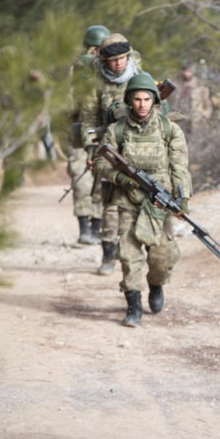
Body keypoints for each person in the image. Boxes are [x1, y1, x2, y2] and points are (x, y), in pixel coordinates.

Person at [93, 73, 192, 327]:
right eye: (137, 99)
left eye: (147, 99)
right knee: (129, 255)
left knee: (162, 257)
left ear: (155, 100)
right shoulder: (117, 130)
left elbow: (180, 168)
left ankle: (156, 284)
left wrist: (183, 200)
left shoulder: (169, 129)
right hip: (128, 202)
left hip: (160, 204)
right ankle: (133, 306)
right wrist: (122, 179)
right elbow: (101, 164)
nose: (142, 104)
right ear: (130, 101)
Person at [79, 32, 143, 274]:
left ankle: (137, 251)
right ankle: (108, 254)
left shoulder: (138, 76)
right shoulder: (94, 84)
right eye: (113, 60)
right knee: (110, 202)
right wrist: (92, 148)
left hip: (138, 144)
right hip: (109, 147)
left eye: (122, 59)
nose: (118, 64)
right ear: (104, 61)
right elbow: (88, 121)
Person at [67, 24, 110, 245]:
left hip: (101, 131)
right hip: (78, 129)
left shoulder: (109, 69)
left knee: (99, 178)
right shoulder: (78, 68)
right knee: (82, 176)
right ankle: (87, 227)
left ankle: (95, 226)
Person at [174, 60, 212, 138]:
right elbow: (175, 103)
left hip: (196, 120)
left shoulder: (200, 86)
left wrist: (204, 116)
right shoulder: (178, 85)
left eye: (189, 71)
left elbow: (207, 104)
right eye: (184, 71)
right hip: (183, 119)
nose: (186, 73)